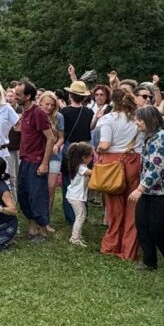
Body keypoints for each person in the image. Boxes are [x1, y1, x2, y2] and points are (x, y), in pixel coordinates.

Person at [129, 105, 164, 270]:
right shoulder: (150, 137)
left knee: (158, 227)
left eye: (139, 119)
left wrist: (140, 188)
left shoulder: (161, 137)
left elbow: (156, 167)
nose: (136, 122)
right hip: (151, 190)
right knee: (142, 224)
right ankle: (149, 261)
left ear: (149, 120)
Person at [97, 88, 141, 261]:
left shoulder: (109, 119)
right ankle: (129, 249)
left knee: (114, 207)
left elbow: (105, 144)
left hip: (113, 163)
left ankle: (111, 245)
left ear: (113, 101)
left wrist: (98, 149)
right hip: (134, 161)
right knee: (132, 207)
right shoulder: (138, 118)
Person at [15, 80, 54, 242]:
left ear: (28, 96)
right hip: (25, 159)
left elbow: (50, 138)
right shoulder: (24, 112)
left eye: (18, 94)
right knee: (23, 194)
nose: (15, 96)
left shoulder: (38, 112)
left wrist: (44, 163)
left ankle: (42, 231)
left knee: (37, 196)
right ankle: (32, 228)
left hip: (36, 161)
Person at [59, 81, 94, 227]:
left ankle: (70, 217)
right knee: (84, 183)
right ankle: (82, 214)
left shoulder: (64, 112)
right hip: (85, 148)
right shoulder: (89, 112)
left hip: (70, 147)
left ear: (70, 95)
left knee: (68, 182)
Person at [38, 90, 64, 225]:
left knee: (51, 186)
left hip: (54, 155)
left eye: (52, 105)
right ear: (41, 103)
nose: (49, 107)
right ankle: (38, 215)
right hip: (38, 154)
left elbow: (61, 137)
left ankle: (47, 217)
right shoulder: (37, 114)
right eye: (47, 104)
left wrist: (57, 145)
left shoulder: (58, 117)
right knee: (38, 187)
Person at [64, 142, 93, 247]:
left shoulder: (80, 166)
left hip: (76, 196)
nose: (91, 158)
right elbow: (92, 173)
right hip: (75, 197)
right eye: (90, 156)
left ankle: (78, 236)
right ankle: (75, 238)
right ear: (83, 157)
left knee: (82, 215)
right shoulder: (81, 168)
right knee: (80, 216)